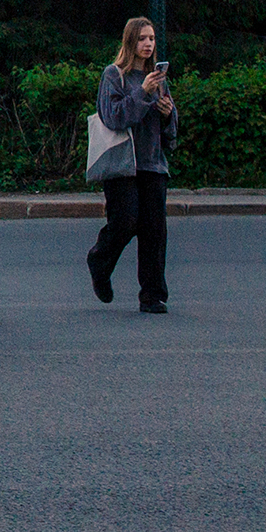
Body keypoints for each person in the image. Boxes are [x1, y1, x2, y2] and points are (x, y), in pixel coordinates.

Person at [88, 17, 177, 314]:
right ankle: (100, 261)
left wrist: (166, 114)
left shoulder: (158, 78)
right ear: (130, 42)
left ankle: (152, 295)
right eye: (142, 39)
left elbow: (170, 132)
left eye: (151, 38)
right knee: (125, 221)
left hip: (152, 163)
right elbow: (112, 116)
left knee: (154, 229)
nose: (148, 44)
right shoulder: (114, 75)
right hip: (122, 163)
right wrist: (142, 94)